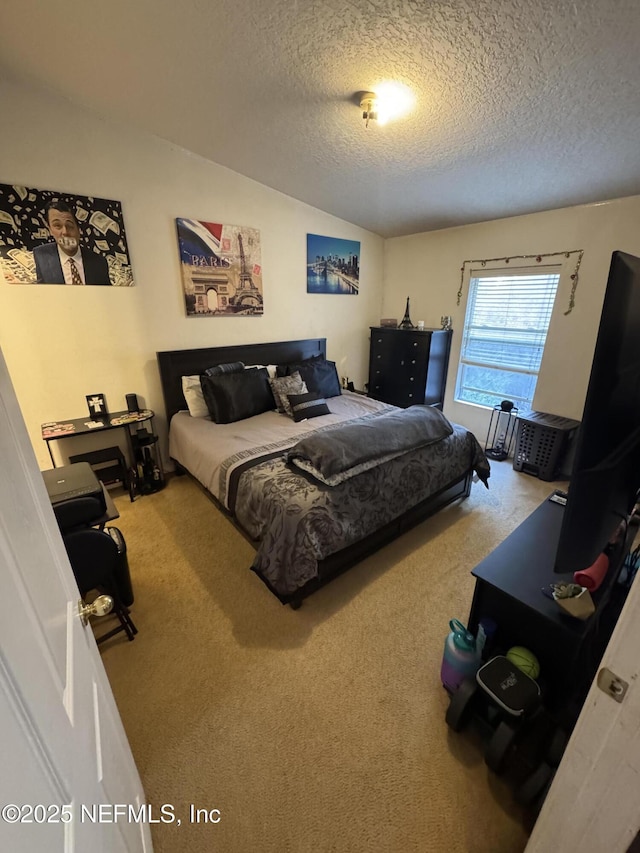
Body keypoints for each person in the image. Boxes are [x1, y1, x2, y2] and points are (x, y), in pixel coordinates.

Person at [33, 199, 112, 285]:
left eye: (70, 226)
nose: (65, 232)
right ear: (50, 230)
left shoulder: (99, 262)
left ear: (79, 229)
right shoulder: (40, 256)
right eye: (57, 226)